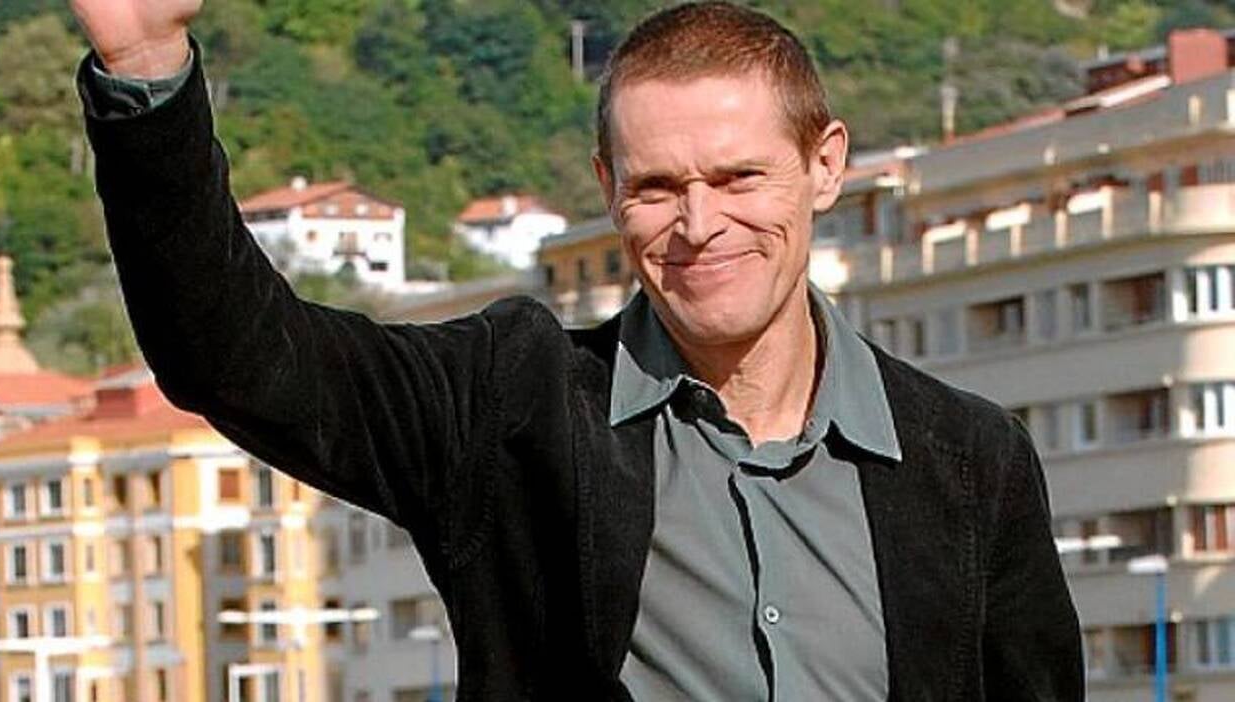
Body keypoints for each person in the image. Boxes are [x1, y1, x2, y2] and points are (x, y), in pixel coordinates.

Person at [71, 0, 1083, 699]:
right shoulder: (509, 408)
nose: (700, 225)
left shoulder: (970, 461)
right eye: (657, 188)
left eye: (739, 178)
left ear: (825, 166)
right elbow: (238, 358)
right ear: (607, 188)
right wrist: (147, 69)